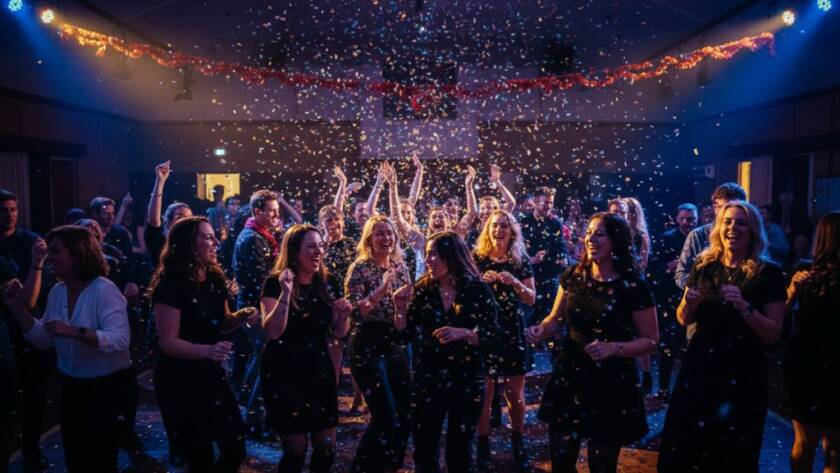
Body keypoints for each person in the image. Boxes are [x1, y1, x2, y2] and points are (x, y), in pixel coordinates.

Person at [658, 201, 786, 473]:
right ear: (718, 227)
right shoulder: (704, 265)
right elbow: (683, 318)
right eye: (727, 221)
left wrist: (745, 307)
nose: (733, 228)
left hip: (743, 369)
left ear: (752, 230)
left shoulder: (768, 273)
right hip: (701, 363)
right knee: (689, 442)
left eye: (741, 222)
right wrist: (689, 304)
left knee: (733, 447)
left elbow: (774, 333)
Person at [527, 212, 658, 473]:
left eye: (599, 233)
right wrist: (541, 330)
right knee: (561, 462)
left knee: (602, 466)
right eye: (588, 232)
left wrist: (614, 348)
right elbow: (556, 319)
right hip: (571, 374)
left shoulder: (633, 285)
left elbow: (651, 340)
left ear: (616, 240)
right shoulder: (573, 275)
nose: (590, 238)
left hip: (612, 380)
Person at [3, 225, 134, 473]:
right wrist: (16, 308)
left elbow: (119, 340)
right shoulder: (58, 291)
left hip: (109, 386)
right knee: (76, 458)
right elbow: (44, 339)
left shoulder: (104, 289)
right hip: (74, 386)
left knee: (101, 460)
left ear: (77, 254)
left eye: (55, 251)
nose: (48, 257)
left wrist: (74, 332)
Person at [148, 217, 256, 472]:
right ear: (188, 244)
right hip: (180, 378)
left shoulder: (213, 278)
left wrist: (241, 317)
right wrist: (208, 350)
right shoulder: (170, 284)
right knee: (200, 456)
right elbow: (168, 342)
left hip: (210, 373)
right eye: (208, 237)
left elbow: (222, 323)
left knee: (235, 447)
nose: (216, 242)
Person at [398, 231, 499, 473]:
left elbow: (493, 335)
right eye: (427, 254)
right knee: (424, 445)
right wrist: (399, 308)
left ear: (451, 256)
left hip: (466, 377)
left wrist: (464, 333)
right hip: (429, 377)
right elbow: (405, 333)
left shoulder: (477, 289)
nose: (428, 260)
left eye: (433, 254)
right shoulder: (423, 289)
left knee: (460, 449)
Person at [259, 224, 353, 473]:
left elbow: (337, 332)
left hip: (317, 368)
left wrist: (343, 316)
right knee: (296, 451)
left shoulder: (327, 281)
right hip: (284, 371)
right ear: (294, 251)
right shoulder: (275, 282)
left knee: (326, 448)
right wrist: (286, 294)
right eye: (311, 246)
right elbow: (273, 331)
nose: (319, 251)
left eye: (321, 245)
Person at [344, 215, 412, 473]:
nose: (386, 238)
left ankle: (391, 465)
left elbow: (401, 322)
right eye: (379, 234)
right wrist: (382, 289)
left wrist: (401, 307)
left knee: (405, 413)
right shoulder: (360, 267)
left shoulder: (401, 267)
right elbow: (355, 312)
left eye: (389, 233)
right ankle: (362, 468)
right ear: (369, 239)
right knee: (384, 417)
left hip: (392, 342)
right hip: (365, 343)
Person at [472, 210, 536, 472]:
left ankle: (518, 443)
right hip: (485, 332)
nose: (499, 230)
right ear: (488, 230)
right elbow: (465, 296)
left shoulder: (520, 261)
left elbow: (531, 298)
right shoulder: (476, 259)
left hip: (511, 330)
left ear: (512, 231)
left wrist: (515, 284)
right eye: (494, 226)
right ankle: (483, 447)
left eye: (504, 226)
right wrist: (478, 282)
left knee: (515, 395)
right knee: (484, 396)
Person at [783, 211, 840, 473]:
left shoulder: (805, 272)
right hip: (833, 360)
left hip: (806, 359)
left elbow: (778, 314)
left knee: (804, 441)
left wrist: (792, 290)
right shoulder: (805, 274)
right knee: (835, 448)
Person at [0, 189, 51, 471]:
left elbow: (29, 298)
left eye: (12, 209)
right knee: (6, 395)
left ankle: (31, 450)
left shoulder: (30, 241)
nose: (9, 214)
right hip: (3, 326)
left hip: (28, 325)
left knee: (34, 392)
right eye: (3, 209)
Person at [231, 189, 282, 435]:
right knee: (269, 360)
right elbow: (260, 281)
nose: (275, 215)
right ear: (257, 211)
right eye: (271, 210)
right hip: (256, 309)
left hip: (252, 306)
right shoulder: (253, 238)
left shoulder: (257, 234)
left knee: (260, 358)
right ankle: (254, 419)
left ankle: (244, 398)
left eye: (276, 210)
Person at [650, 203, 698, 399]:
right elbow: (654, 271)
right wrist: (669, 267)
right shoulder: (667, 238)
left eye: (691, 219)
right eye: (684, 219)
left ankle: (688, 390)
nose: (687, 223)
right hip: (670, 300)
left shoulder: (703, 238)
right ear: (677, 219)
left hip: (695, 299)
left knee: (692, 347)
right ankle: (663, 388)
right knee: (669, 346)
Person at [520, 186, 568, 324]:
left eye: (551, 203)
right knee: (527, 322)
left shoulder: (555, 222)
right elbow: (517, 249)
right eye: (545, 202)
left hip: (550, 277)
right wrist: (530, 259)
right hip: (529, 278)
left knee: (549, 320)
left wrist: (563, 256)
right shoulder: (523, 222)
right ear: (535, 201)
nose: (548, 206)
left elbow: (560, 245)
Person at [145, 161, 194, 265]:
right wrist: (160, 181)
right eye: (180, 216)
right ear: (167, 220)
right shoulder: (161, 239)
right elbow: (154, 220)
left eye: (188, 217)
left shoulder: (193, 243)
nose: (184, 220)